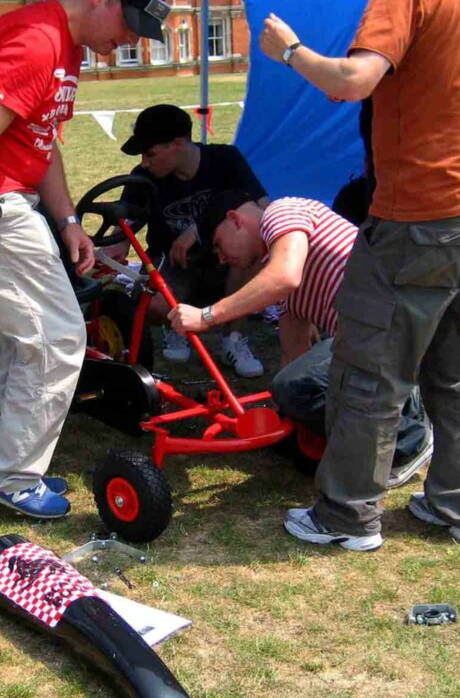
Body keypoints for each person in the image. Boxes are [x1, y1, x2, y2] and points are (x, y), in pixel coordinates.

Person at [258, 0, 460, 551]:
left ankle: (347, 516)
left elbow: (352, 80)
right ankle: (459, 505)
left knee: (368, 369)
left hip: (420, 220)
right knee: (459, 372)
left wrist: (290, 49)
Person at [0, 0, 170, 519]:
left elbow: (42, 142)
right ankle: (9, 475)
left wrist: (67, 221)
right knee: (59, 340)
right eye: (130, 24)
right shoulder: (36, 40)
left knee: (3, 350)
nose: (130, 41)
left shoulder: (67, 48)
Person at [169, 189, 433, 488]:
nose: (222, 258)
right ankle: (401, 407)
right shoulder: (282, 270)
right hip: (373, 340)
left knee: (293, 387)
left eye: (218, 244)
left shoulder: (281, 213)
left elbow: (283, 278)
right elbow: (293, 359)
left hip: (391, 327)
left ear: (235, 220)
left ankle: (409, 439)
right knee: (290, 391)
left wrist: (207, 316)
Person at [112, 104, 269, 377]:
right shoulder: (143, 177)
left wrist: (197, 230)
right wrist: (114, 247)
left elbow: (263, 209)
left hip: (227, 266)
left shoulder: (225, 159)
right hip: (174, 267)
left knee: (253, 253)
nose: (145, 162)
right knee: (149, 301)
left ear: (177, 143)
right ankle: (175, 326)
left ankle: (231, 339)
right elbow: (124, 228)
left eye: (150, 153)